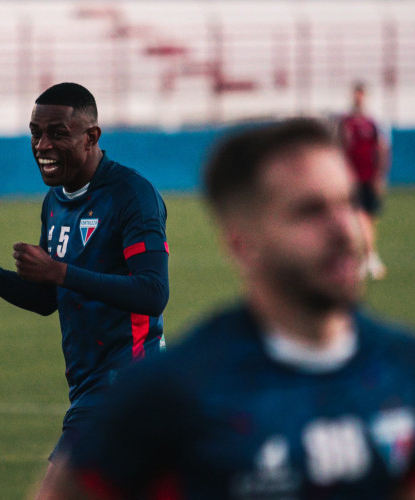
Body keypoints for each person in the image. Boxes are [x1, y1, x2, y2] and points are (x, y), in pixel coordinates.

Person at [41, 118, 415, 499]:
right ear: (243, 242)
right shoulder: (171, 395)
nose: (344, 230)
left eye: (348, 202)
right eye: (310, 211)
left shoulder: (404, 370)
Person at [0, 83, 169, 488]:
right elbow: (48, 299)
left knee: (56, 491)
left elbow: (153, 294)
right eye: (35, 132)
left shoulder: (131, 196)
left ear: (91, 136)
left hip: (127, 381)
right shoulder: (56, 202)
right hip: (91, 385)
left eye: (57, 133)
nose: (42, 145)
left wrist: (62, 272)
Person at [339, 82, 391, 279]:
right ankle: (368, 258)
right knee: (358, 218)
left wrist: (380, 176)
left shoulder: (373, 123)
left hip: (370, 178)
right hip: (352, 179)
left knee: (368, 219)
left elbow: (382, 149)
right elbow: (339, 148)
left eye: (361, 95)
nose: (358, 98)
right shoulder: (345, 123)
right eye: (356, 95)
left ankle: (367, 258)